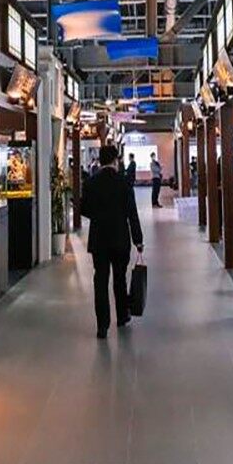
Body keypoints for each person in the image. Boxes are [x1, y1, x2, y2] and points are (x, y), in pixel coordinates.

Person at [79, 144, 143, 338]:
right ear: (116, 160)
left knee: (100, 280)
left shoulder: (91, 182)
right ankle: (122, 316)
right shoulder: (123, 182)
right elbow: (132, 213)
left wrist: (98, 216)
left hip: (99, 238)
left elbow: (84, 209)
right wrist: (138, 240)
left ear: (100, 160)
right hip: (120, 237)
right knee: (119, 278)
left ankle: (102, 325)